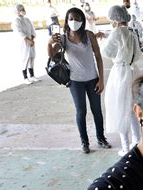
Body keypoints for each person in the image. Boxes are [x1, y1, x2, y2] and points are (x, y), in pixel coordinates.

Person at [47, 7, 111, 154]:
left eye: (77, 18)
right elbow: (51, 55)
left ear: (82, 21)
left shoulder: (89, 36)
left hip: (93, 79)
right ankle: (85, 142)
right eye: (70, 19)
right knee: (81, 111)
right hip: (75, 81)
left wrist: (101, 80)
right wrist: (49, 43)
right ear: (66, 21)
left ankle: (101, 138)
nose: (74, 21)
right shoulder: (63, 38)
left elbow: (99, 58)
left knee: (97, 110)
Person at [102, 6, 141, 157]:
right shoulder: (132, 33)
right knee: (132, 109)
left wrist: (105, 39)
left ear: (115, 19)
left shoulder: (116, 33)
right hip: (132, 71)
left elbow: (107, 52)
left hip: (119, 73)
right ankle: (137, 142)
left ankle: (125, 147)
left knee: (119, 108)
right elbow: (137, 54)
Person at [12, 4, 38, 85]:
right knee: (25, 59)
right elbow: (19, 32)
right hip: (23, 43)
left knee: (32, 57)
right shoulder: (16, 21)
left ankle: (32, 76)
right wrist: (28, 40)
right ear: (17, 11)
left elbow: (32, 29)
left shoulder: (27, 19)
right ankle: (25, 77)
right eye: (21, 9)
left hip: (31, 42)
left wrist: (32, 40)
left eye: (23, 8)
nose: (23, 10)